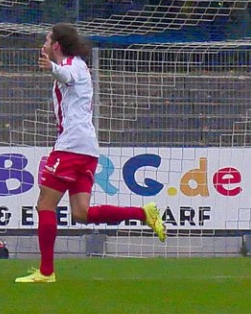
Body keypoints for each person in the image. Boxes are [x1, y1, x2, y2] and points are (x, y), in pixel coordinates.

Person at [18, 24, 166, 283]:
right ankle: (143, 214)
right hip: (86, 148)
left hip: (71, 147)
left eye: (47, 40)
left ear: (56, 45)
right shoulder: (77, 65)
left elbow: (67, 76)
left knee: (45, 204)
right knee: (81, 213)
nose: (43, 44)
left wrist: (51, 67)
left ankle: (46, 271)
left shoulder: (72, 66)